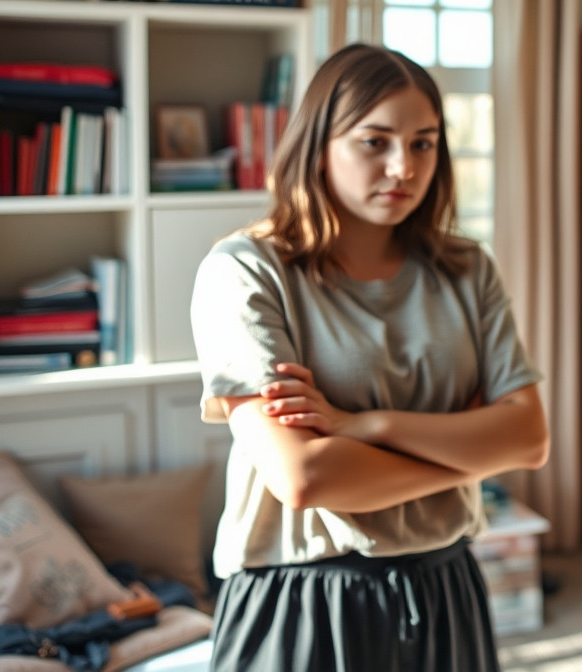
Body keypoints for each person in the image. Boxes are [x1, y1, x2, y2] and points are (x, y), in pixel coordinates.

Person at [190, 44, 549, 671]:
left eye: (423, 143)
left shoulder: (466, 269)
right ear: (318, 144)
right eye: (374, 141)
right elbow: (306, 478)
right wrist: (468, 453)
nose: (402, 167)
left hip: (445, 586)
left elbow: (528, 437)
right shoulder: (246, 271)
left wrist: (366, 427)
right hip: (302, 595)